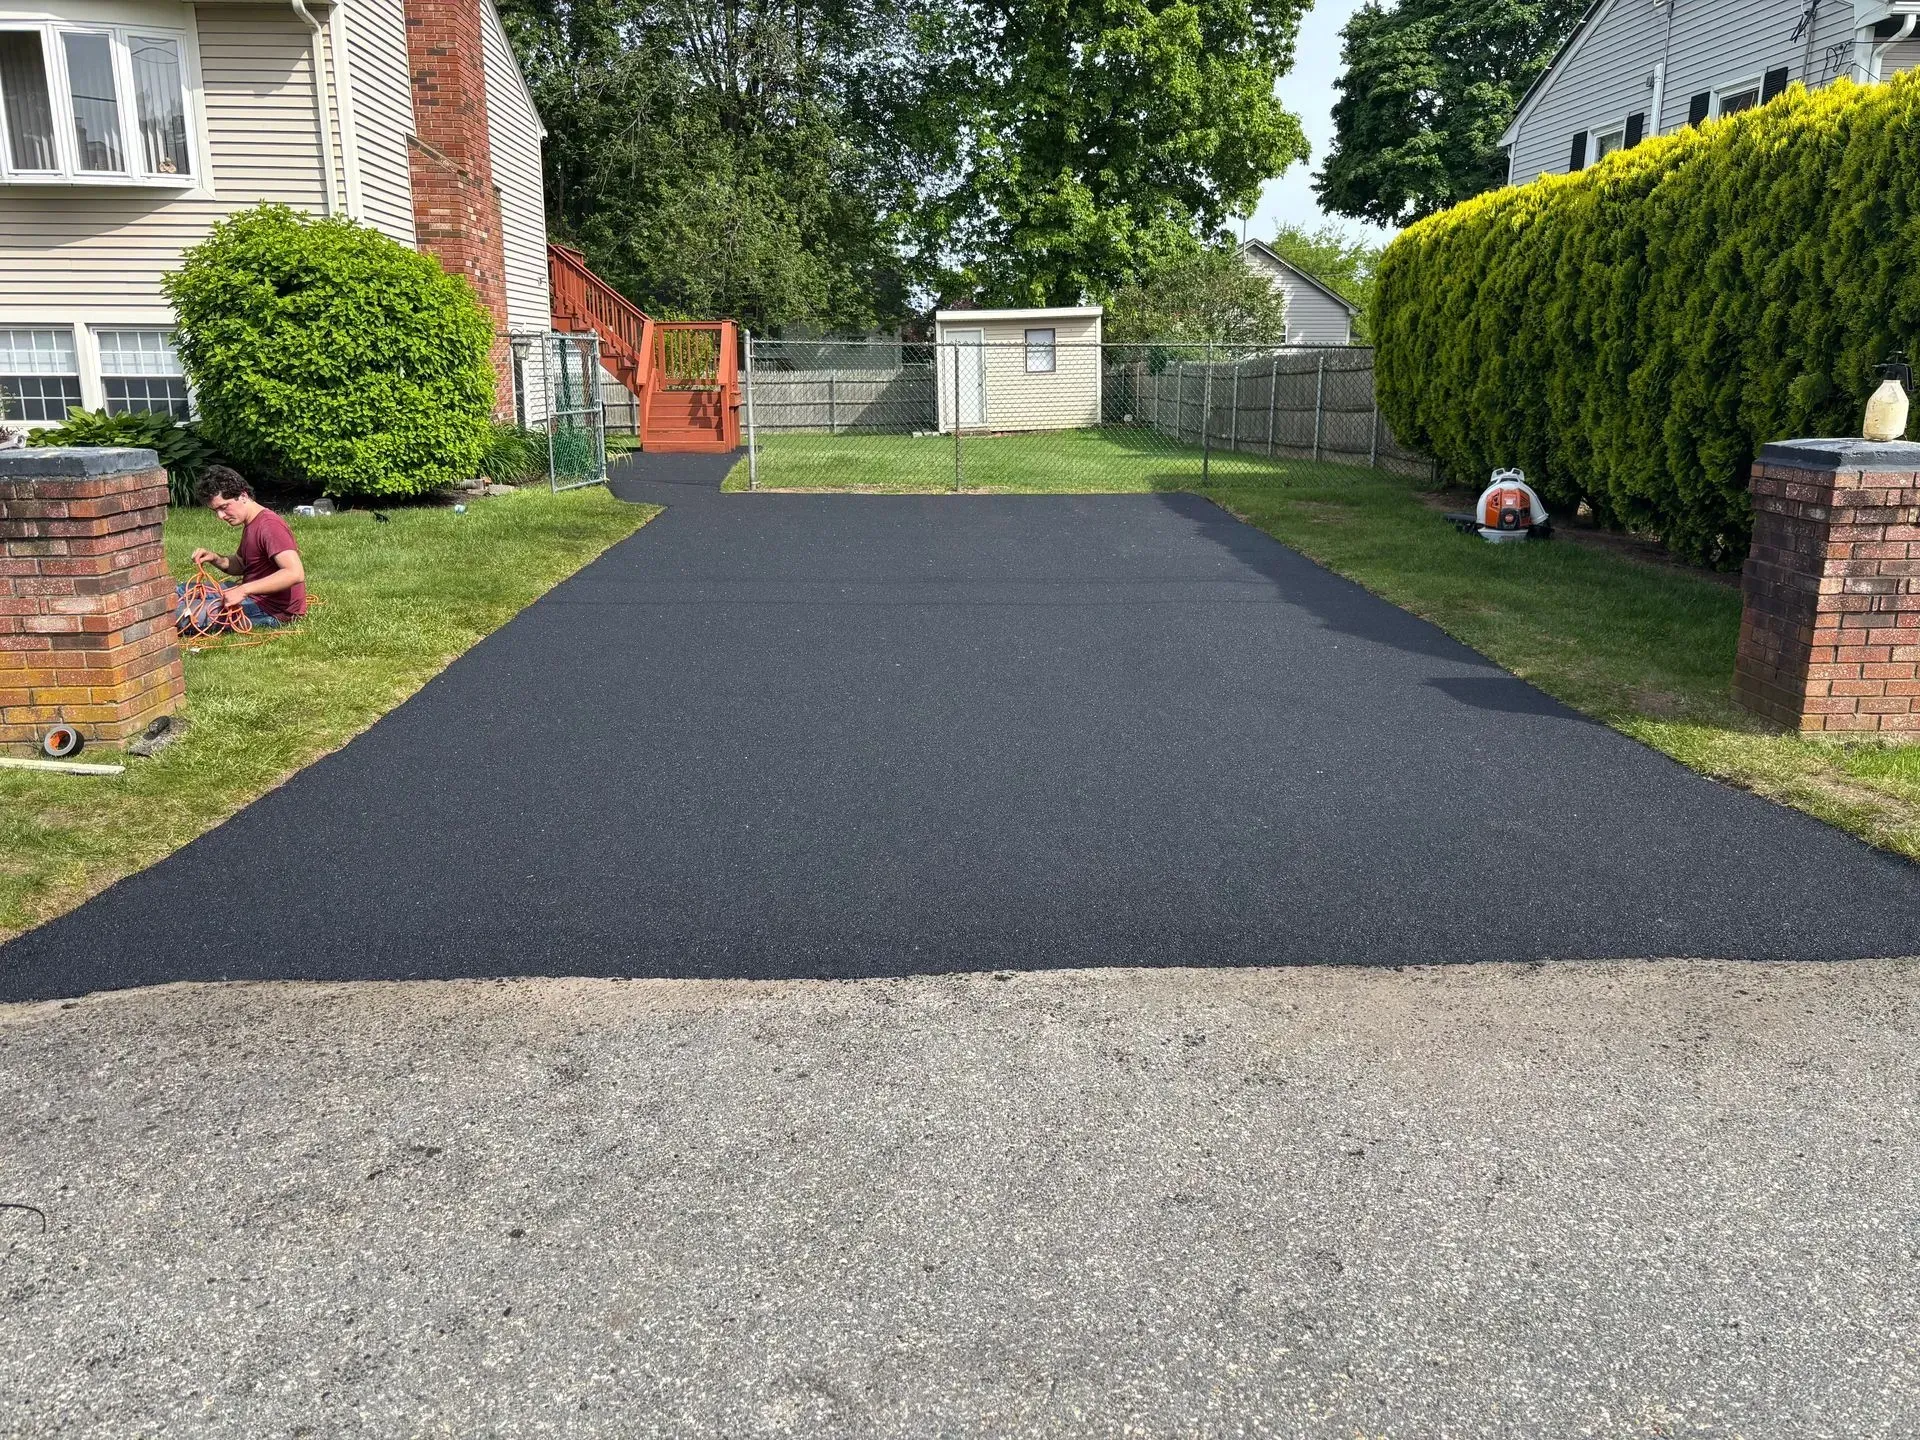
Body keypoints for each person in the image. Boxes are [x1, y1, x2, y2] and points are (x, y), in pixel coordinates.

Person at [181, 466, 307, 630]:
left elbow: (294, 573)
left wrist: (243, 590)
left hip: (270, 610)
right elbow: (241, 564)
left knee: (180, 614)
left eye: (224, 507)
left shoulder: (270, 526)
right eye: (216, 511)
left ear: (243, 495)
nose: (220, 516)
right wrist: (215, 558)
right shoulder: (252, 522)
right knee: (179, 591)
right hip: (253, 596)